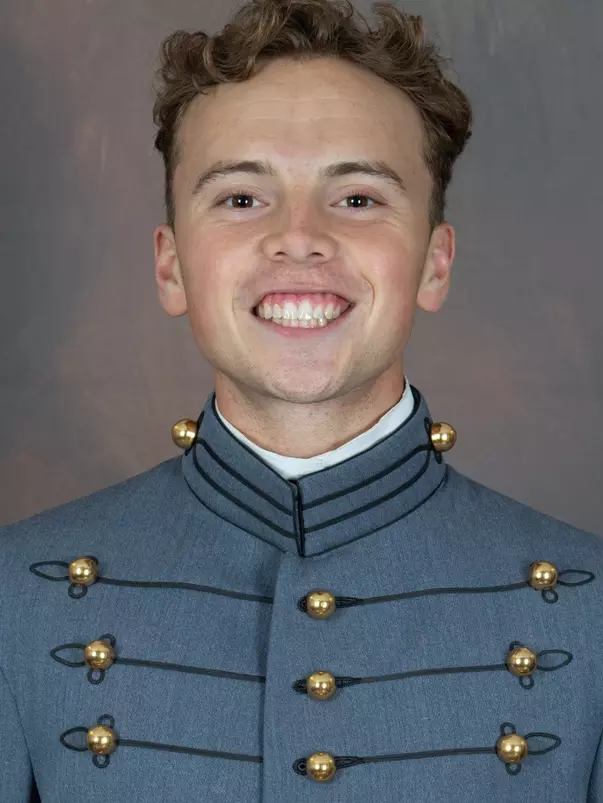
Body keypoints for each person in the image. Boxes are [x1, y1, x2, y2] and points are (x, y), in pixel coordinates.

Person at [1, 0, 602, 800]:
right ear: (171, 266)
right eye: (242, 198)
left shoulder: (587, 608)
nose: (299, 236)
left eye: (356, 198)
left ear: (433, 263)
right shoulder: (19, 593)